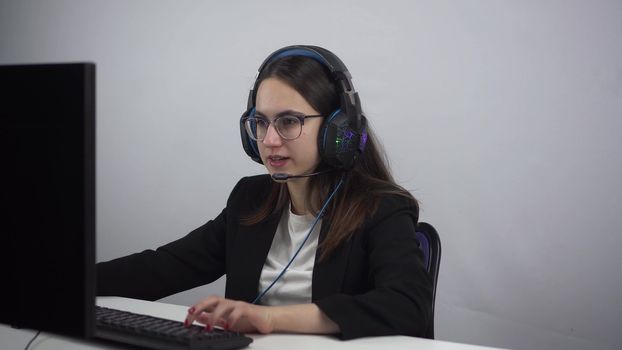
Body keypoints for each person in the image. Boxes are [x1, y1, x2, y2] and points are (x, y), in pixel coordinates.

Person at [97, 45, 433, 340]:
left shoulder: (382, 207)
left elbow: (406, 305)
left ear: (338, 130)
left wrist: (269, 318)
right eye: (260, 122)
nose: (269, 140)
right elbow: (166, 266)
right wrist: (65, 280)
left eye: (289, 121)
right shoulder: (250, 199)